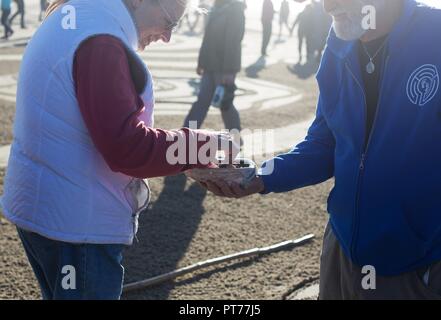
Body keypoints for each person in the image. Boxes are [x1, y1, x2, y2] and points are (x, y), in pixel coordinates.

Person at [195, 0, 441, 299]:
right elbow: (325, 142)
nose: (327, 7)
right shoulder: (339, 41)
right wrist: (260, 176)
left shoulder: (435, 35)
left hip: (416, 261)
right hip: (342, 246)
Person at [0, 0, 238, 300]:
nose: (167, 37)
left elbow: (87, 129)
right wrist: (204, 145)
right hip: (77, 224)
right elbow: (127, 147)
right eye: (169, 22)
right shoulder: (101, 39)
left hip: (49, 210)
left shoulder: (83, 15)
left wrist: (180, 159)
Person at [183, 0, 245, 134]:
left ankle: (235, 138)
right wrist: (201, 62)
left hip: (223, 68)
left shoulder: (236, 9)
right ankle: (185, 136)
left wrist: (229, 71)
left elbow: (233, 42)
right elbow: (208, 38)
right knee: (201, 102)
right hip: (210, 65)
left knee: (225, 104)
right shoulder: (217, 7)